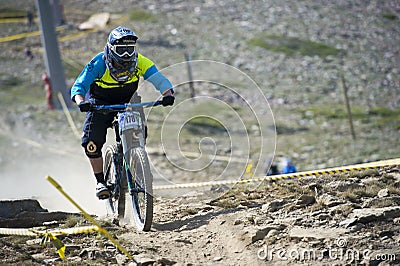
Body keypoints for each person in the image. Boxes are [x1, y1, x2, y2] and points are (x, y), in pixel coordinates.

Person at [70, 26, 175, 199]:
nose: (126, 55)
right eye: (121, 50)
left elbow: (159, 79)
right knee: (91, 143)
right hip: (100, 104)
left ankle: (135, 163)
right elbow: (79, 86)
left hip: (129, 102)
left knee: (139, 137)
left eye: (130, 49)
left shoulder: (140, 61)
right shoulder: (98, 63)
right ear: (111, 49)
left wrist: (168, 94)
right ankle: (101, 182)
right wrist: (81, 101)